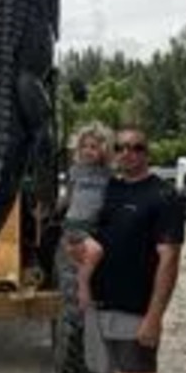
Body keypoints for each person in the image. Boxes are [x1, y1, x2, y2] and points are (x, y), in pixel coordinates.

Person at [68, 126, 185, 373]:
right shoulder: (110, 189)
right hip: (101, 305)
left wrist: (154, 318)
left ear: (147, 152)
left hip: (135, 312)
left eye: (136, 147)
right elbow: (83, 230)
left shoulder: (163, 197)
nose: (127, 153)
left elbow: (169, 260)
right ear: (113, 152)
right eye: (120, 147)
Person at [62, 121, 113, 310]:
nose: (87, 151)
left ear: (103, 149)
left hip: (93, 225)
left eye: (93, 147)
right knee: (95, 252)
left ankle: (90, 289)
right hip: (75, 223)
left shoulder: (108, 175)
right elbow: (69, 198)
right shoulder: (75, 171)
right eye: (84, 146)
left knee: (90, 256)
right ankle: (83, 289)